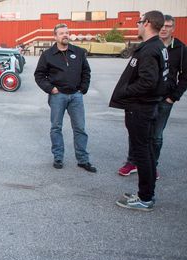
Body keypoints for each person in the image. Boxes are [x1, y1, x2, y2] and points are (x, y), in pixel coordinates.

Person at [110, 11, 169, 212]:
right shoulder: (157, 47)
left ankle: (145, 197)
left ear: (148, 23)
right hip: (147, 107)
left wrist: (125, 91)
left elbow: (148, 82)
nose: (137, 25)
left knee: (142, 152)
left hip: (141, 108)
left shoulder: (150, 50)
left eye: (139, 22)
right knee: (147, 151)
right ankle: (147, 192)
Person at [117, 14, 187, 178]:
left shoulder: (180, 49)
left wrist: (173, 97)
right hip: (145, 99)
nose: (164, 29)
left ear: (173, 28)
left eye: (168, 26)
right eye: (163, 25)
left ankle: (151, 166)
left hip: (164, 98)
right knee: (138, 134)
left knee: (155, 135)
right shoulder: (149, 46)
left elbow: (184, 77)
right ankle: (132, 162)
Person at [34, 23, 96, 173]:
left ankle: (83, 160)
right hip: (58, 96)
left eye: (67, 33)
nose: (65, 35)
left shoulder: (79, 52)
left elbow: (86, 71)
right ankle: (58, 157)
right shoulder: (47, 54)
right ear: (55, 37)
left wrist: (83, 88)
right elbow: (39, 75)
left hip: (76, 96)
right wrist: (50, 89)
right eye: (61, 33)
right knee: (56, 127)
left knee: (80, 128)